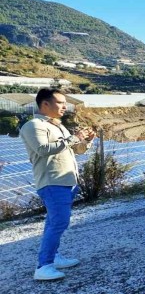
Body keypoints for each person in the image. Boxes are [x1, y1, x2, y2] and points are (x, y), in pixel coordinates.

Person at [20, 88, 95, 281]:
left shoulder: (58, 126)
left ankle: (52, 257)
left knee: (54, 222)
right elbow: (43, 149)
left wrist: (85, 141)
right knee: (60, 221)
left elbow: (76, 150)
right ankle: (43, 266)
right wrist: (74, 138)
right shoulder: (33, 125)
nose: (64, 107)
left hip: (67, 181)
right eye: (60, 103)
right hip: (52, 182)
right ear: (45, 104)